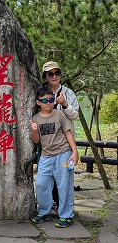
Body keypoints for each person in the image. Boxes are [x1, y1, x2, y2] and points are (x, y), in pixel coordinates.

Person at [31, 85, 79, 228]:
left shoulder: (59, 115)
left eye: (51, 99)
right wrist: (34, 131)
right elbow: (36, 141)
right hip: (46, 156)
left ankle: (66, 215)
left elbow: (68, 133)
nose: (49, 103)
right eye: (45, 101)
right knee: (40, 183)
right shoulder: (36, 118)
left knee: (64, 185)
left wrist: (74, 152)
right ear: (38, 102)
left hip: (63, 155)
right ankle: (44, 211)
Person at [42, 61, 79, 209]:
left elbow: (75, 115)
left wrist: (64, 104)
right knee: (47, 177)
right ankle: (48, 204)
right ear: (45, 76)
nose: (54, 76)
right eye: (50, 74)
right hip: (47, 142)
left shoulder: (68, 93)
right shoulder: (41, 92)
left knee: (65, 177)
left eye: (57, 73)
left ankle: (64, 208)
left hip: (65, 142)